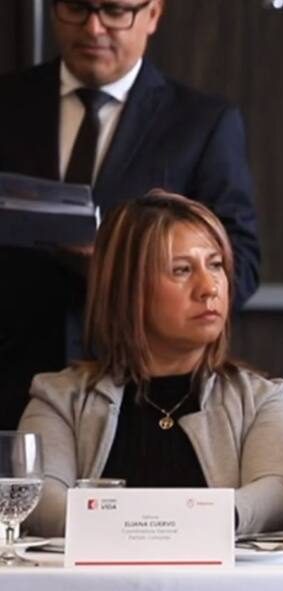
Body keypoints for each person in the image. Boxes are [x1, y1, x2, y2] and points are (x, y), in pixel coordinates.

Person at [0, 0, 261, 429]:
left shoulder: (200, 123)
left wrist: (125, 264)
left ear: (152, 14)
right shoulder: (8, 104)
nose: (94, 28)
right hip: (13, 378)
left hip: (144, 391)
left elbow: (240, 264)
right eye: (77, 8)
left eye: (115, 11)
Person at [22, 191, 283, 537]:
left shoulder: (262, 401)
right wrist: (164, 527)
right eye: (182, 270)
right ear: (129, 288)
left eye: (215, 265)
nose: (209, 287)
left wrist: (157, 526)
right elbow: (40, 501)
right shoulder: (58, 399)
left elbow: (278, 494)